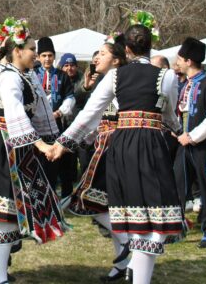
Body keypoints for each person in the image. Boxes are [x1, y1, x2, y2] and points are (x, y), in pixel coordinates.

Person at [52, 22, 182, 284]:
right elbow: (169, 114)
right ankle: (135, 267)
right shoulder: (166, 76)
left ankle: (131, 262)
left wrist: (63, 142)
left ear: (127, 49)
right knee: (154, 219)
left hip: (122, 146)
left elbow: (89, 114)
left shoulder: (115, 76)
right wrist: (178, 130)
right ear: (150, 47)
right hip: (151, 144)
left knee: (135, 218)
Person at [0, 19, 66, 284]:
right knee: (6, 215)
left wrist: (54, 140)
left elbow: (42, 112)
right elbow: (12, 114)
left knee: (12, 213)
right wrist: (41, 144)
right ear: (17, 51)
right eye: (32, 49)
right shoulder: (8, 77)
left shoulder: (26, 76)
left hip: (16, 146)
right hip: (2, 147)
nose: (36, 53)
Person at [67, 36, 131, 282]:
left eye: (102, 54)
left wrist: (69, 140)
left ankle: (126, 242)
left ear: (116, 60)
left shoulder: (119, 81)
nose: (96, 58)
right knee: (105, 206)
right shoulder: (106, 81)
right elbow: (100, 116)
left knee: (89, 201)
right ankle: (122, 264)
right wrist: (87, 138)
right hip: (103, 145)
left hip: (115, 148)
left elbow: (103, 116)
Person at [173, 38, 206, 249]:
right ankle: (177, 227)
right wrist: (177, 131)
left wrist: (192, 136)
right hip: (183, 144)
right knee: (178, 185)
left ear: (189, 61)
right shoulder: (185, 84)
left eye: (179, 59)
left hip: (204, 146)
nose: (177, 62)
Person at [34, 37, 76, 198]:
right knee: (38, 162)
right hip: (36, 126)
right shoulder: (32, 74)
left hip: (57, 124)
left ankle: (61, 198)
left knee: (59, 161)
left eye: (50, 55)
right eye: (43, 55)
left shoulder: (62, 75)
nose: (47, 59)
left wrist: (58, 112)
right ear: (38, 57)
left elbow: (70, 97)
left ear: (54, 56)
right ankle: (39, 197)